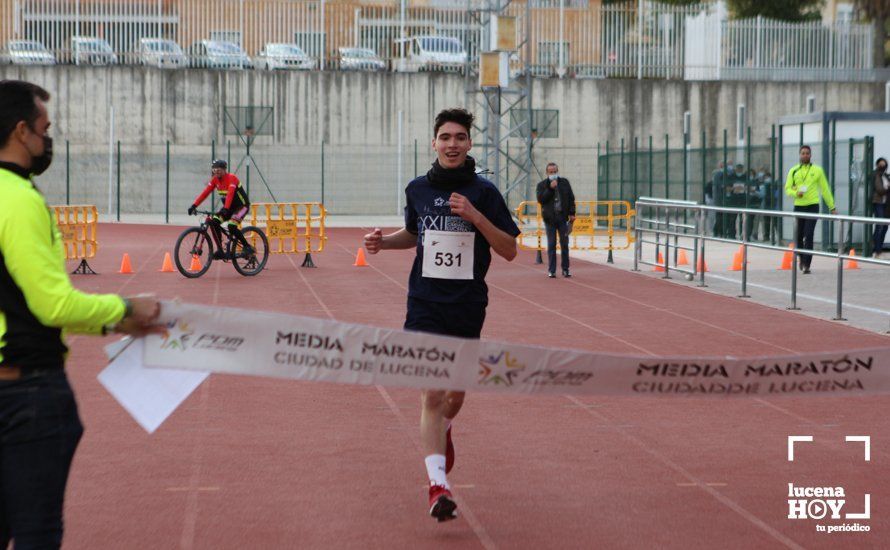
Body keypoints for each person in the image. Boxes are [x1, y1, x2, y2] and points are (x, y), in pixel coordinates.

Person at [0, 79, 163, 549]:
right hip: (26, 392)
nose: (47, 139)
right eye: (44, 128)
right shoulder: (20, 200)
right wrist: (126, 309)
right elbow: (52, 304)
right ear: (20, 132)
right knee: (37, 531)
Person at [363, 108, 519, 522]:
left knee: (455, 395)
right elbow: (416, 235)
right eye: (445, 137)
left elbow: (508, 249)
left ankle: (446, 428)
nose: (452, 144)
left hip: (468, 306)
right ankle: (438, 487)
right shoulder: (417, 189)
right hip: (425, 303)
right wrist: (383, 243)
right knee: (431, 392)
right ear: (434, 143)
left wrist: (476, 216)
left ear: (470, 144)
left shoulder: (484, 193)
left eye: (460, 137)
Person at [784, 145, 837, 274]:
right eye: (803, 153)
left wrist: (832, 207)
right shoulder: (794, 170)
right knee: (798, 236)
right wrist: (796, 193)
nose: (805, 155)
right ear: (799, 155)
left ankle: (807, 264)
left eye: (807, 153)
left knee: (809, 234)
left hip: (813, 206)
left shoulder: (817, 170)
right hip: (799, 206)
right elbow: (787, 189)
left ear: (811, 155)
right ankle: (801, 258)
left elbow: (825, 189)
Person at [188, 159, 252, 259]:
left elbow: (230, 194)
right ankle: (220, 250)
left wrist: (225, 208)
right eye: (214, 169)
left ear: (224, 169)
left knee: (231, 226)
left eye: (219, 169)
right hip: (228, 208)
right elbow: (205, 193)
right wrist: (194, 206)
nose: (216, 171)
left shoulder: (232, 178)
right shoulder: (215, 180)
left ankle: (247, 247)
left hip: (242, 207)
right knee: (214, 222)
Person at [536, 162, 576, 278]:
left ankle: (565, 268)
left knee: (564, 244)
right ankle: (552, 270)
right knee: (552, 244)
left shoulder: (564, 183)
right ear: (547, 173)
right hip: (550, 219)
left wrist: (572, 213)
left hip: (562, 218)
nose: (553, 174)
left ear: (557, 171)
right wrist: (550, 188)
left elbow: (571, 198)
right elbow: (541, 200)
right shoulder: (542, 185)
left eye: (555, 171)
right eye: (551, 172)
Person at [871, 157, 889, 258]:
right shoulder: (876, 174)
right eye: (881, 164)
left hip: (886, 204)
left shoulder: (885, 176)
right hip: (878, 203)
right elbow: (880, 190)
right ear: (877, 165)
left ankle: (879, 249)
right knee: (880, 226)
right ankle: (876, 250)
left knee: (885, 226)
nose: (883, 166)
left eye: (884, 164)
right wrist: (887, 188)